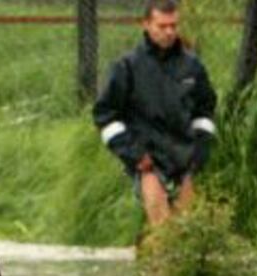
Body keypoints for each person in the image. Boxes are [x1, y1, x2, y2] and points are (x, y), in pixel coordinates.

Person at [93, 0, 217, 228]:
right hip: (148, 162)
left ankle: (150, 254)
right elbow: (106, 116)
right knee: (162, 228)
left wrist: (199, 153)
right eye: (162, 26)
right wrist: (135, 156)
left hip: (185, 160)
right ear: (146, 24)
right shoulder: (127, 67)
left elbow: (205, 111)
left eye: (174, 25)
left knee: (186, 229)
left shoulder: (193, 66)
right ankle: (156, 257)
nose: (169, 32)